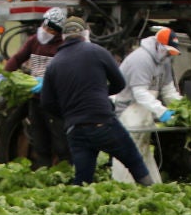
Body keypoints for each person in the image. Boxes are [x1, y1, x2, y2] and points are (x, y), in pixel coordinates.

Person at [40, 18, 154, 186]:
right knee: (134, 162)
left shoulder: (54, 63)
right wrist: (100, 94)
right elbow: (120, 83)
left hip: (75, 129)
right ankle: (153, 195)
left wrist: (69, 112)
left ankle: (78, 209)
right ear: (85, 33)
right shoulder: (97, 51)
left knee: (83, 179)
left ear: (64, 37)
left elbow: (47, 103)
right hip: (102, 123)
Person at [116, 27, 184, 184]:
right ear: (158, 45)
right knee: (127, 150)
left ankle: (149, 185)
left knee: (144, 148)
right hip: (128, 111)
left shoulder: (164, 61)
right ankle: (123, 185)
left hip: (144, 112)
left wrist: (182, 108)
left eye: (171, 53)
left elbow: (168, 92)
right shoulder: (141, 59)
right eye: (167, 51)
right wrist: (162, 112)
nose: (169, 55)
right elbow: (139, 93)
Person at [5, 7, 67, 167]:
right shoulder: (34, 40)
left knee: (60, 141)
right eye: (46, 27)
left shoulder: (63, 46)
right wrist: (5, 74)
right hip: (36, 99)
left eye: (52, 30)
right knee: (39, 140)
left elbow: (64, 71)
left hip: (54, 102)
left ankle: (64, 171)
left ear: (58, 32)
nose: (47, 31)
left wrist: (47, 83)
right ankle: (42, 169)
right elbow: (18, 58)